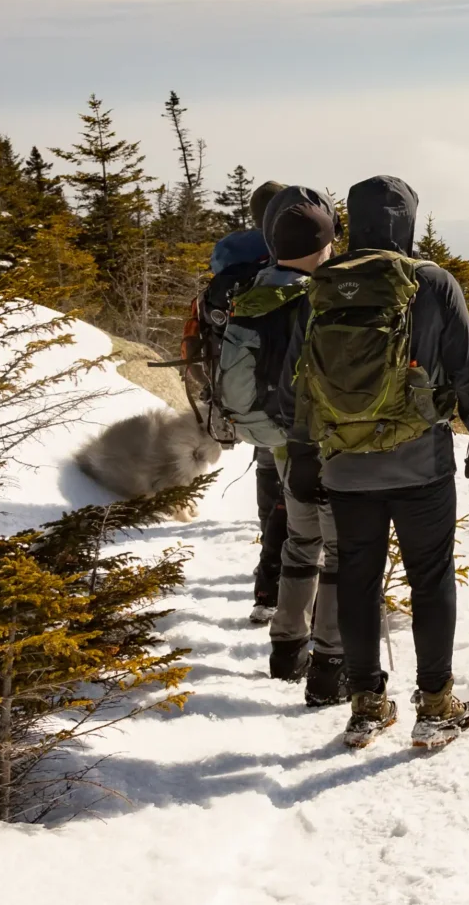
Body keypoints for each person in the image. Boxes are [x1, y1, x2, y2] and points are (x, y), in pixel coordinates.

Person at [310, 174, 469, 750]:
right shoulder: (432, 282)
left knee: (357, 580)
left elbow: (301, 377)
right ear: (408, 222)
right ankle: (437, 705)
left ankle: (366, 705)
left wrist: (304, 452)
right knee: (430, 577)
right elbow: (466, 368)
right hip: (420, 462)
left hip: (344, 463)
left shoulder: (324, 283)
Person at [252, 187, 349, 706]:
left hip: (281, 441)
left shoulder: (255, 290)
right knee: (337, 552)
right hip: (322, 440)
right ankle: (330, 662)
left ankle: (287, 647)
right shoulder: (321, 295)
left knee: (299, 541)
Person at [191, 179, 287, 622]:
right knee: (305, 489)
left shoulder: (230, 258)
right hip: (292, 395)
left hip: (247, 395)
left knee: (270, 479)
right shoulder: (295, 253)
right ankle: (287, 583)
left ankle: (269, 579)